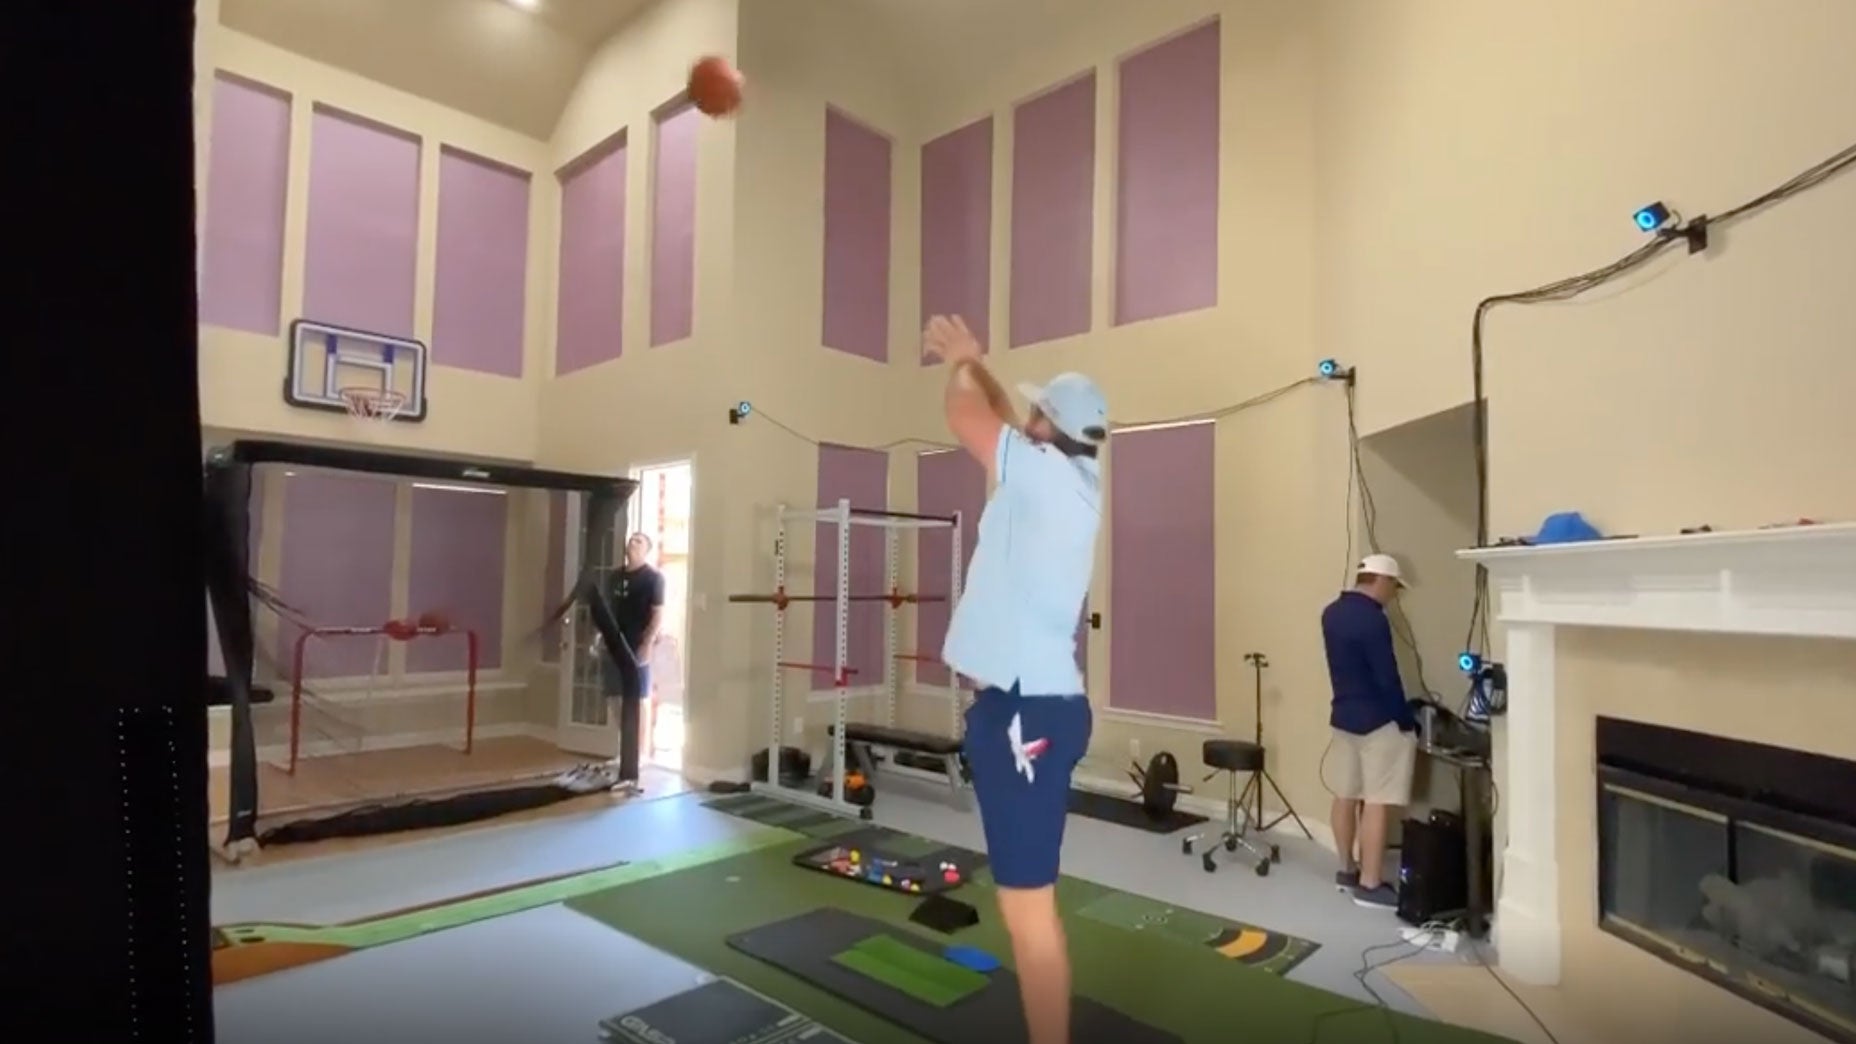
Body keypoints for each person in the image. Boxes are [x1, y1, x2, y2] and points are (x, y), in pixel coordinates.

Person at [925, 314, 1104, 1044]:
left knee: (1029, 913)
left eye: (1036, 414)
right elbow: (1002, 416)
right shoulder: (1062, 476)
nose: (1024, 420)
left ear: (1046, 428)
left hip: (1028, 713)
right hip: (1027, 704)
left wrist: (961, 362)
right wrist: (980, 366)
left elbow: (968, 415)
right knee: (1022, 906)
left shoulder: (1043, 477)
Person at [1320, 552, 1419, 910]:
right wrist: (1406, 720)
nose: (1394, 595)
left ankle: (1347, 869)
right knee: (1377, 800)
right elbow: (1386, 678)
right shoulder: (1374, 620)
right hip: (1378, 722)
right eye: (1394, 587)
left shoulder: (1331, 613)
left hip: (1344, 716)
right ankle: (1371, 883)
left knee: (1345, 794)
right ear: (1382, 580)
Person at [598, 531, 664, 791]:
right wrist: (600, 637)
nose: (632, 543)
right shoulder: (614, 577)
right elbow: (606, 610)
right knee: (615, 698)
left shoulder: (654, 579)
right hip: (613, 644)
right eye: (631, 539)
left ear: (646, 549)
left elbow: (657, 615)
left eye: (638, 541)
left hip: (636, 646)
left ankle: (639, 753)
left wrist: (646, 644)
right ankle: (624, 750)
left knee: (637, 699)